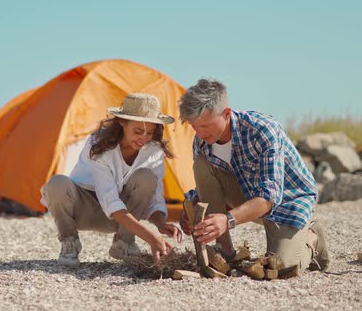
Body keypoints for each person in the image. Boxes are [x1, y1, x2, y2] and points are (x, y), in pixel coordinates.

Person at [178, 78, 329, 273]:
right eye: (193, 126)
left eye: (204, 126)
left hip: (288, 201)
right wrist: (190, 209)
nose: (198, 133)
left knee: (282, 268)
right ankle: (225, 250)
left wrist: (227, 220)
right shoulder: (201, 141)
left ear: (226, 114)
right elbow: (209, 187)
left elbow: (269, 197)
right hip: (248, 195)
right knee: (201, 164)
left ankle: (313, 238)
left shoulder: (263, 130)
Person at [41, 93, 182, 267]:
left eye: (150, 132)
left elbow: (155, 195)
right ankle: (69, 243)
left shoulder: (154, 150)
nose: (144, 138)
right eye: (138, 131)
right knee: (57, 184)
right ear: (122, 122)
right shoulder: (99, 145)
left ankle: (124, 244)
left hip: (121, 219)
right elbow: (111, 202)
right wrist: (150, 237)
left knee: (147, 178)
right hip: (84, 211)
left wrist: (160, 223)